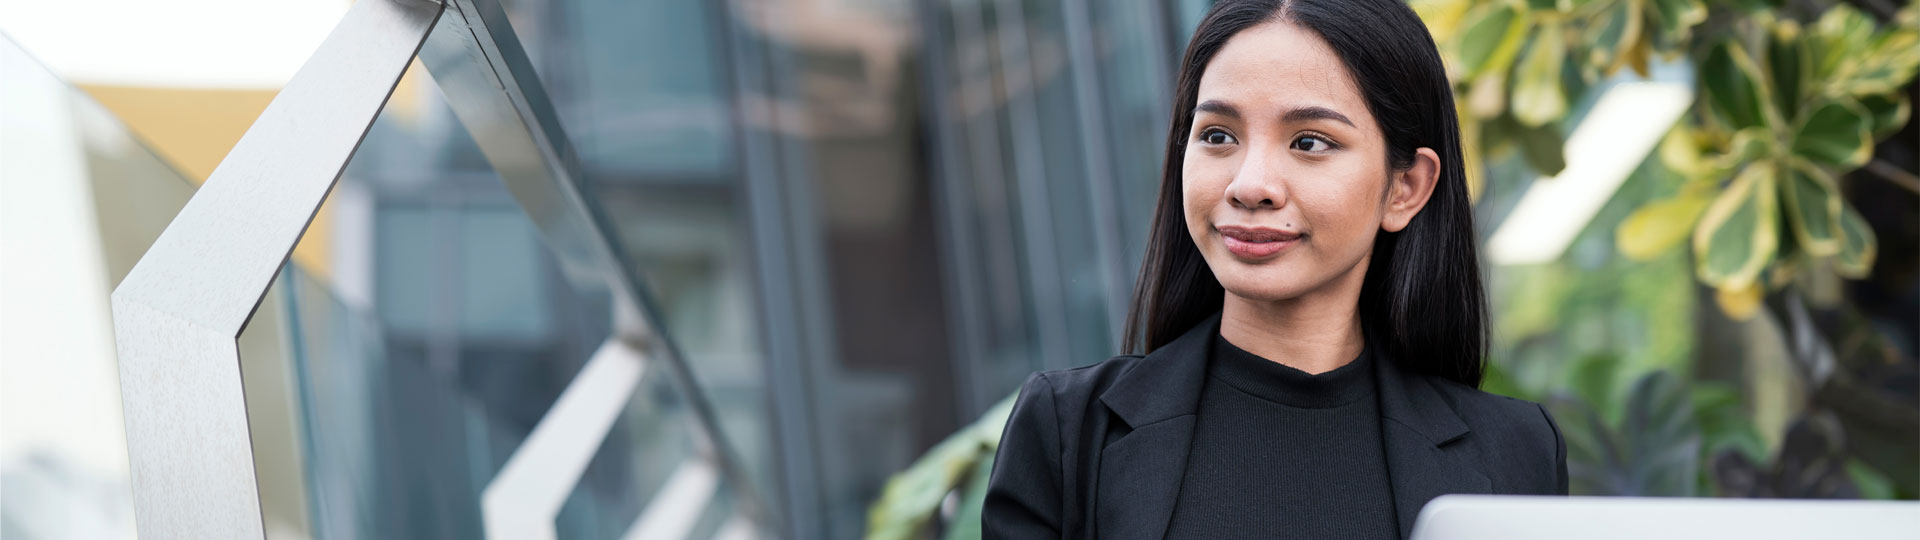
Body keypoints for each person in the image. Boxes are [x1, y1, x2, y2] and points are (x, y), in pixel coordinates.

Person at [980, 0, 1567, 538]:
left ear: (1405, 187)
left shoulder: (1514, 452)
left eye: (1310, 142)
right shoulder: (1069, 432)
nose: (1250, 184)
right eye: (1217, 135)